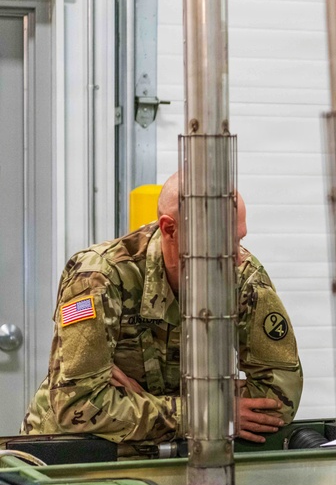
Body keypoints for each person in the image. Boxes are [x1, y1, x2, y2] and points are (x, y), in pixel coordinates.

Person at [22, 173, 303, 444]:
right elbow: (78, 407)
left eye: (238, 239)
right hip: (73, 453)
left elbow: (278, 401)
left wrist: (135, 403)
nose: (236, 258)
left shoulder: (244, 278)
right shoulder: (99, 276)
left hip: (176, 457)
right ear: (170, 228)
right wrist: (207, 413)